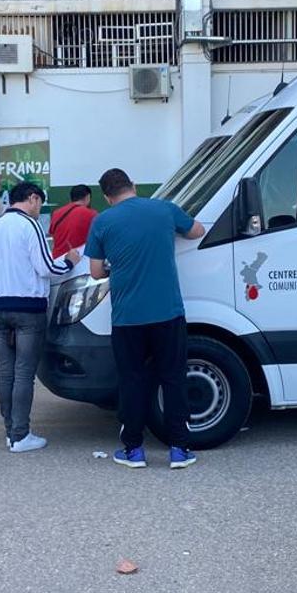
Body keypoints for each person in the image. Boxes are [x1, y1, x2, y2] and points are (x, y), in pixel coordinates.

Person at [85, 168, 205, 469]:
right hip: (168, 312)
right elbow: (197, 230)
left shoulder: (102, 221)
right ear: (133, 186)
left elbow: (96, 272)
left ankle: (133, 450)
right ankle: (179, 449)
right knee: (173, 377)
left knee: (132, 381)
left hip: (127, 318)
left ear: (106, 196)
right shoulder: (164, 209)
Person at [0, 182, 80, 452]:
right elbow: (46, 266)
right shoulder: (29, 225)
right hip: (28, 308)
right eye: (40, 203)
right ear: (33, 198)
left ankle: (9, 431)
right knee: (25, 372)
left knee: (6, 371)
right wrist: (70, 260)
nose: (40, 209)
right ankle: (21, 434)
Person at [49, 184, 98, 259]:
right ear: (88, 197)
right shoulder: (91, 214)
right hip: (78, 261)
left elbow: (53, 236)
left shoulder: (56, 213)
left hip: (57, 261)